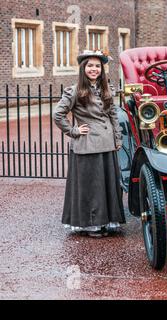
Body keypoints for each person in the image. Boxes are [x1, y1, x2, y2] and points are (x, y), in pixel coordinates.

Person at [53, 50, 125, 237]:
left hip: (107, 144)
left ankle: (106, 221)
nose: (94, 69)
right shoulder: (75, 90)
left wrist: (117, 138)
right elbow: (57, 114)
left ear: (102, 69)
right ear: (83, 68)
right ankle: (93, 224)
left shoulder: (106, 89)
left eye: (97, 66)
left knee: (107, 185)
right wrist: (74, 131)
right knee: (92, 186)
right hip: (87, 146)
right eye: (90, 65)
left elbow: (113, 115)